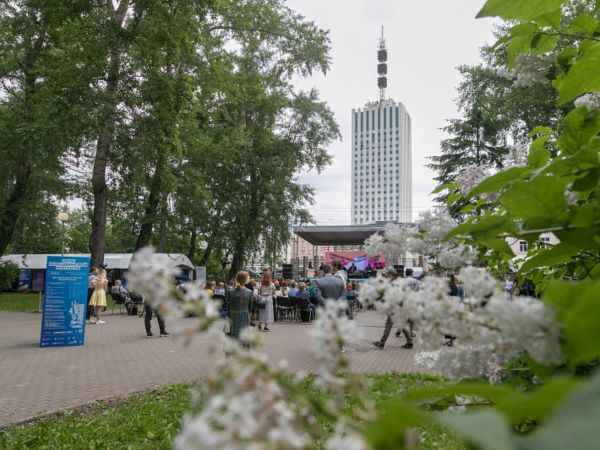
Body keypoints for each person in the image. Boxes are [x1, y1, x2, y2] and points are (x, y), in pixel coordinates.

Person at [225, 271, 253, 341]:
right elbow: (250, 308)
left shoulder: (230, 291)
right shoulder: (249, 292)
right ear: (245, 279)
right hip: (244, 316)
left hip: (232, 316)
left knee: (233, 335)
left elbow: (227, 306)